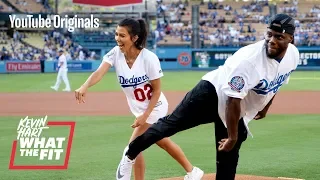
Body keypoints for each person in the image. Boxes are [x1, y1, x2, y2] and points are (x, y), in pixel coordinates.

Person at [116, 14, 300, 180]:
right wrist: (232, 137)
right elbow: (232, 100)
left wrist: (264, 108)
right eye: (269, 34)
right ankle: (130, 154)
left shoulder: (293, 56)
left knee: (229, 158)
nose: (271, 40)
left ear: (291, 39)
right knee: (171, 124)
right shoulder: (249, 61)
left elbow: (277, 82)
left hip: (234, 106)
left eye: (279, 36)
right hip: (211, 93)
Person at [74, 18, 204, 180]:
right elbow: (99, 72)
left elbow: (157, 91)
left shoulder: (148, 58)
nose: (117, 39)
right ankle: (193, 172)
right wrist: (85, 86)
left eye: (122, 35)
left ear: (134, 38)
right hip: (140, 110)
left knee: (131, 149)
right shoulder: (115, 53)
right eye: (116, 34)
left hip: (155, 107)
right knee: (161, 142)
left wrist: (145, 116)